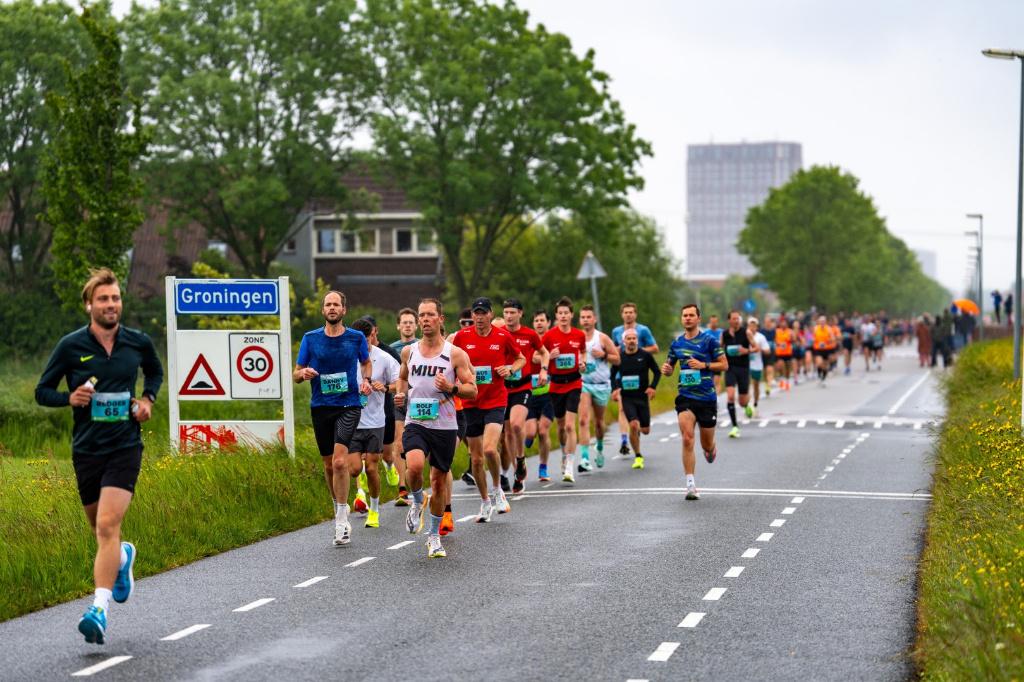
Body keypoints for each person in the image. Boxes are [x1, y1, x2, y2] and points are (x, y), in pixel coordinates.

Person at [35, 268, 163, 645]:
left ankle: (99, 609)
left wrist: (147, 400)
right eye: (104, 299)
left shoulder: (137, 342)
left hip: (125, 446)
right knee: (100, 531)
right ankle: (123, 558)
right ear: (90, 304)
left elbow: (154, 372)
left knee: (107, 525)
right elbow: (43, 391)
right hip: (87, 449)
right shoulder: (70, 346)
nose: (112, 305)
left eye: (116, 298)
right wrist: (68, 398)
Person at [395, 298, 477, 558]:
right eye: (422, 315)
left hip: (444, 424)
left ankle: (433, 536)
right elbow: (402, 377)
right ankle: (418, 501)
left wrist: (451, 388)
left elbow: (472, 390)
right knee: (415, 466)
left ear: (441, 319)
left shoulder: (455, 354)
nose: (425, 319)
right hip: (416, 421)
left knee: (439, 481)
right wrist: (399, 394)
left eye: (431, 315)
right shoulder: (409, 351)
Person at [294, 290, 372, 547]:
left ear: (343, 310)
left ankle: (340, 519)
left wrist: (367, 381)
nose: (332, 308)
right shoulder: (310, 338)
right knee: (328, 465)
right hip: (321, 405)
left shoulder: (356, 337)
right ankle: (339, 505)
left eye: (336, 304)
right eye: (328, 304)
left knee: (340, 462)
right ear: (323, 310)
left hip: (349, 404)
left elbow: (366, 363)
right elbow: (295, 373)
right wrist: (303, 372)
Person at [453, 297, 526, 521]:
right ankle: (485, 501)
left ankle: (497, 489)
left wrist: (510, 369)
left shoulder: (503, 336)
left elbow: (521, 358)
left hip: (495, 399)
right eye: (476, 313)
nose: (479, 317)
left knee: (490, 449)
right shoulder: (462, 337)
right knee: (475, 459)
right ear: (472, 316)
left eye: (484, 313)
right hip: (471, 402)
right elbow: (451, 362)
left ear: (491, 314)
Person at [661, 304, 727, 500]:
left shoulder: (710, 341)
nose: (688, 318)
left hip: (706, 397)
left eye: (691, 315)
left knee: (705, 445)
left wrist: (704, 365)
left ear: (699, 318)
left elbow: (724, 364)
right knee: (687, 437)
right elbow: (670, 366)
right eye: (685, 316)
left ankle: (711, 448)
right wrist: (667, 370)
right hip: (686, 397)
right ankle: (690, 485)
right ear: (681, 319)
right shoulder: (676, 344)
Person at [348, 318, 400, 530]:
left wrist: (385, 387)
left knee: (371, 467)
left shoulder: (385, 358)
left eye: (367, 339)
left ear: (372, 336)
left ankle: (375, 509)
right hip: (351, 420)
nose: (364, 344)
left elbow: (401, 383)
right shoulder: (347, 357)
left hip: (375, 421)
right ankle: (363, 490)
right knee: (353, 469)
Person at [500, 298, 548, 494]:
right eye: (506, 313)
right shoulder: (499, 333)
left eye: (513, 312)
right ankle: (517, 470)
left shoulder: (529, 334)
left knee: (517, 424)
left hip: (523, 386)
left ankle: (520, 459)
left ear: (520, 313)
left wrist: (544, 370)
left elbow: (543, 353)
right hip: (503, 389)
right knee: (507, 434)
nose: (509, 316)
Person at [542, 296, 587, 483]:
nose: (563, 316)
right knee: (560, 426)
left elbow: (583, 352)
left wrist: (583, 362)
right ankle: (563, 452)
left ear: (571, 315)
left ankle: (569, 464)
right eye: (560, 313)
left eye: (566, 313)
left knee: (570, 425)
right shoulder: (549, 336)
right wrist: (549, 357)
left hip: (574, 383)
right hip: (556, 384)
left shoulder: (579, 335)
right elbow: (539, 356)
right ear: (556, 315)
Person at [611, 302, 658, 456]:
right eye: (625, 312)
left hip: (640, 375)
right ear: (621, 314)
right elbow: (613, 351)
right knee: (623, 410)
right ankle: (626, 439)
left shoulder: (643, 330)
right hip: (621, 377)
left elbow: (655, 348)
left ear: (635, 314)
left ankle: (635, 431)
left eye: (631, 312)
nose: (628, 315)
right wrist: (615, 352)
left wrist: (637, 352)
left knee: (645, 429)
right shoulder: (616, 331)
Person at [579, 305, 620, 471]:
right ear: (580, 320)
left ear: (594, 319)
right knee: (583, 419)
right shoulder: (576, 337)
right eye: (583, 317)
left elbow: (617, 360)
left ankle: (600, 445)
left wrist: (603, 355)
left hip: (602, 385)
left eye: (589, 317)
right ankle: (584, 458)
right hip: (583, 384)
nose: (586, 320)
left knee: (599, 423)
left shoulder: (602, 338)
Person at [389, 308, 419, 507]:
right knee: (398, 444)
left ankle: (419, 478)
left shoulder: (422, 346)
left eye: (411, 322)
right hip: (401, 399)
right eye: (404, 322)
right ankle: (402, 488)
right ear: (398, 325)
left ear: (416, 325)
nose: (407, 325)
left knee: (419, 444)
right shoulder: (392, 349)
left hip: (420, 401)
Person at [525, 309, 555, 481]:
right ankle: (527, 440)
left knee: (543, 431)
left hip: (548, 395)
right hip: (530, 394)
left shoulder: (552, 340)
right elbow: (534, 358)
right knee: (530, 433)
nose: (539, 323)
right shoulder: (529, 341)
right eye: (536, 320)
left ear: (548, 323)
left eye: (542, 320)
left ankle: (543, 467)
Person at [720, 311, 755, 438]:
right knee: (730, 396)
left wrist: (746, 350)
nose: (736, 321)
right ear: (729, 320)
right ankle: (735, 426)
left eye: (738, 318)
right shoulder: (724, 334)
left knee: (741, 401)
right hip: (730, 368)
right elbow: (719, 348)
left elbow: (756, 348)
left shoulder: (746, 332)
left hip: (743, 368)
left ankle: (746, 406)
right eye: (734, 319)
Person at [746, 317, 771, 416]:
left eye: (754, 325)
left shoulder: (761, 337)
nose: (752, 327)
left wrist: (760, 348)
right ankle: (748, 405)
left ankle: (755, 404)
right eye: (750, 325)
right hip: (746, 365)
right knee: (747, 385)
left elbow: (768, 351)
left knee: (756, 386)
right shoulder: (744, 336)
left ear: (757, 326)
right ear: (748, 326)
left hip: (757, 365)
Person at [811, 315, 837, 384]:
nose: (822, 322)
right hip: (818, 349)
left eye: (823, 321)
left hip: (827, 349)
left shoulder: (829, 329)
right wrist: (814, 340)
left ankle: (823, 379)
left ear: (826, 322)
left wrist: (828, 340)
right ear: (819, 322)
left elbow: (833, 338)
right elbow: (812, 337)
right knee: (819, 363)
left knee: (825, 365)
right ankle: (819, 376)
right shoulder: (816, 328)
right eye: (821, 321)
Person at [705, 314, 725, 395]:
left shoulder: (721, 332)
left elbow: (724, 344)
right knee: (709, 381)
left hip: (718, 359)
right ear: (710, 322)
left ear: (717, 322)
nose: (713, 323)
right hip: (708, 359)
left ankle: (716, 399)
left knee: (717, 380)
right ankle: (711, 397)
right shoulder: (706, 333)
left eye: (715, 322)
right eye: (712, 322)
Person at [774, 315, 795, 390]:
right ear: (780, 324)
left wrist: (792, 338)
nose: (783, 324)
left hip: (788, 352)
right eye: (782, 323)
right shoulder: (776, 331)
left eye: (784, 323)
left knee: (787, 367)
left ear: (787, 324)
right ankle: (781, 379)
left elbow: (793, 340)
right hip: (779, 352)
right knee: (780, 365)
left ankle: (787, 381)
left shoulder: (790, 331)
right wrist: (778, 344)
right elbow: (774, 340)